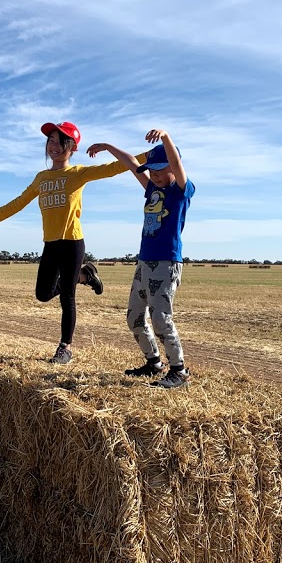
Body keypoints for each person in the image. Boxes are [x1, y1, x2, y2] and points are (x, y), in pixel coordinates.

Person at [0, 121, 141, 364]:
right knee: (43, 294)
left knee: (67, 296)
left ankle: (65, 348)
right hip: (51, 244)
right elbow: (20, 201)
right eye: (50, 141)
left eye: (60, 141)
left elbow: (115, 168)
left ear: (72, 148)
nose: (53, 146)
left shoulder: (78, 173)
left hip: (72, 242)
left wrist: (152, 155)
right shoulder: (41, 178)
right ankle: (85, 276)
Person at [87, 129, 196, 388]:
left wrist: (167, 137)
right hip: (144, 262)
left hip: (166, 262)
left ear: (172, 166)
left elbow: (177, 163)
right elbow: (131, 163)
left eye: (160, 169)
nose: (155, 174)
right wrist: (107, 145)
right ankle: (153, 363)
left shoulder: (181, 191)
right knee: (134, 317)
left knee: (160, 318)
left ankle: (179, 371)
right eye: (153, 170)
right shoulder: (151, 190)